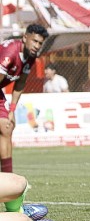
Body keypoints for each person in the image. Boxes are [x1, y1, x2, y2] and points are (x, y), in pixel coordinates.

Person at [0, 24, 49, 174]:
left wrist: (12, 110)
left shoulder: (30, 58)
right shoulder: (9, 53)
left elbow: (20, 83)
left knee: (6, 128)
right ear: (25, 37)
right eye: (34, 41)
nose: (37, 46)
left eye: (40, 43)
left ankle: (7, 182)